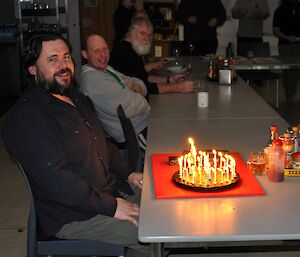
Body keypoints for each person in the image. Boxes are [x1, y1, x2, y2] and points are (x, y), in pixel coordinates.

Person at [2, 33, 149, 257]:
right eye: (53, 59)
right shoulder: (28, 118)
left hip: (106, 192)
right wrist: (112, 207)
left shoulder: (76, 98)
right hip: (74, 215)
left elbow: (103, 143)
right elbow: (58, 184)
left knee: (164, 204)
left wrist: (128, 173)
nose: (64, 65)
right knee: (153, 234)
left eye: (66, 57)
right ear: (32, 69)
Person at [80, 34, 149, 151]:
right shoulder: (94, 81)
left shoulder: (105, 69)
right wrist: (136, 90)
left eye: (105, 49)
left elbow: (140, 83)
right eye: (97, 51)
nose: (103, 55)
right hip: (136, 134)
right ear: (85, 54)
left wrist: (134, 88)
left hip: (143, 122)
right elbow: (133, 106)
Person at [110, 17, 194, 97]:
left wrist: (169, 80)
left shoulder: (131, 48)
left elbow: (142, 77)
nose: (146, 38)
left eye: (149, 35)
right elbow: (145, 88)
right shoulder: (126, 52)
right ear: (132, 32)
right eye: (142, 33)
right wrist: (177, 87)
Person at [273, 0, 300, 103]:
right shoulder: (279, 11)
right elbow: (276, 30)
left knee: (296, 71)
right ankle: (289, 94)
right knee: (287, 71)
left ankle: (291, 93)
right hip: (285, 45)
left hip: (298, 45)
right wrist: (287, 38)